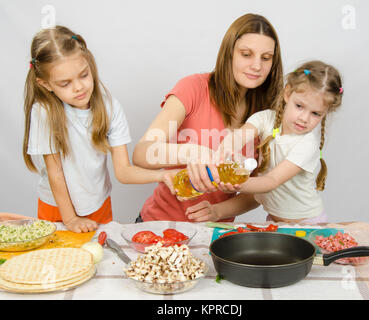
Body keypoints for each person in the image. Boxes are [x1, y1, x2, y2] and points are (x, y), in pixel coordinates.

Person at [23, 26, 177, 233]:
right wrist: (70, 220)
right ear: (46, 84)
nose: (79, 87)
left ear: (90, 66)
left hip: (99, 204)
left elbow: (123, 172)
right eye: (65, 83)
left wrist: (162, 176)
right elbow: (56, 173)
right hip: (58, 209)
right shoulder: (44, 112)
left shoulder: (109, 107)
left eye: (84, 75)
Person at [132, 13, 283, 222]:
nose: (257, 66)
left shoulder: (267, 116)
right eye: (246, 54)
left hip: (214, 235)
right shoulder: (193, 88)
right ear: (229, 53)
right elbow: (141, 153)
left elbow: (259, 190)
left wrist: (218, 211)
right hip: (159, 226)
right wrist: (192, 152)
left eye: (266, 58)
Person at [187, 60, 343, 224]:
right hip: (274, 221)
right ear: (288, 93)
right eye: (299, 106)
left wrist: (237, 183)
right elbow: (238, 136)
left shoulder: (306, 144)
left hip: (308, 222)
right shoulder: (265, 119)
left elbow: (271, 181)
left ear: (325, 113)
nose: (304, 118)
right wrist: (222, 153)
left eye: (316, 114)